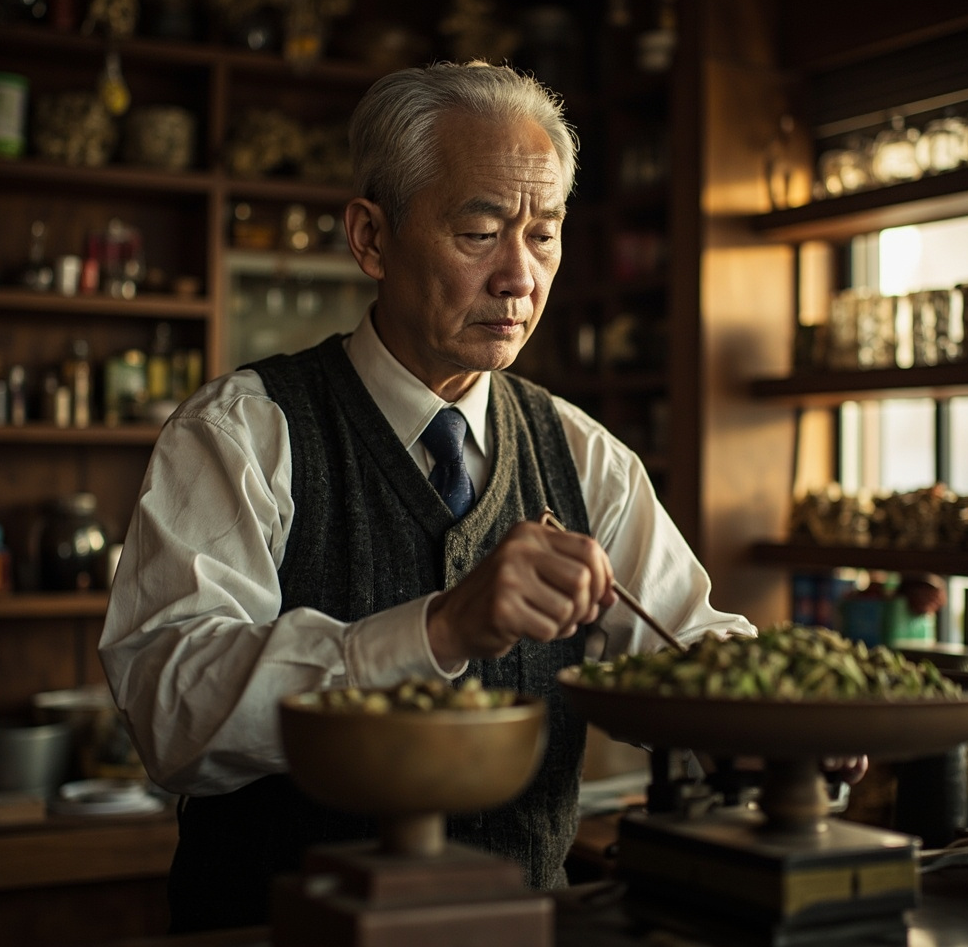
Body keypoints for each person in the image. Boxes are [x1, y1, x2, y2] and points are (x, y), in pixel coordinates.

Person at [99, 60, 757, 934]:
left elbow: (691, 646)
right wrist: (436, 631)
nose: (520, 278)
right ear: (371, 239)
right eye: (481, 233)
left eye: (545, 235)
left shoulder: (582, 453)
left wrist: (781, 729)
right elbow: (169, 708)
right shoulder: (243, 434)